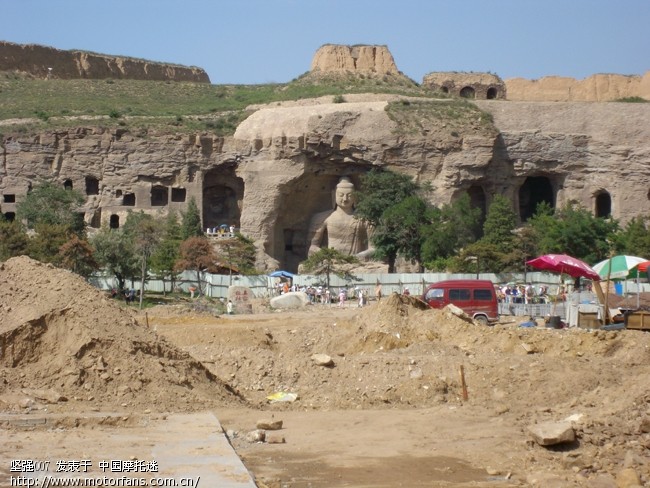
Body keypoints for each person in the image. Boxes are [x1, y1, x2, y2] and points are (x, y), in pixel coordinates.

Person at [308, 176, 371, 257]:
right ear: (334, 195)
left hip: (356, 262)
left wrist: (359, 256)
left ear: (355, 196)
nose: (345, 199)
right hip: (331, 261)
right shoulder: (323, 218)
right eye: (341, 195)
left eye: (349, 195)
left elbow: (374, 248)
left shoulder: (364, 219)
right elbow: (312, 247)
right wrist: (327, 255)